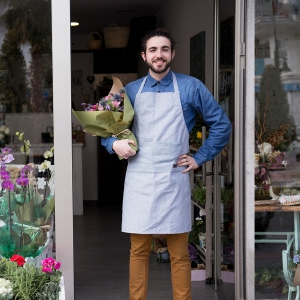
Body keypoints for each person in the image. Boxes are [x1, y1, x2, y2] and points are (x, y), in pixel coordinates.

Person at [101, 28, 231, 300]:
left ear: (173, 53)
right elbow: (105, 129)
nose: (158, 55)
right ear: (144, 56)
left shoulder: (191, 87)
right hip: (140, 179)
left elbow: (222, 125)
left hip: (174, 178)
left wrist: (199, 157)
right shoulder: (130, 91)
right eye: (152, 50)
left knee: (179, 253)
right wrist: (114, 144)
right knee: (138, 251)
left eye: (164, 49)